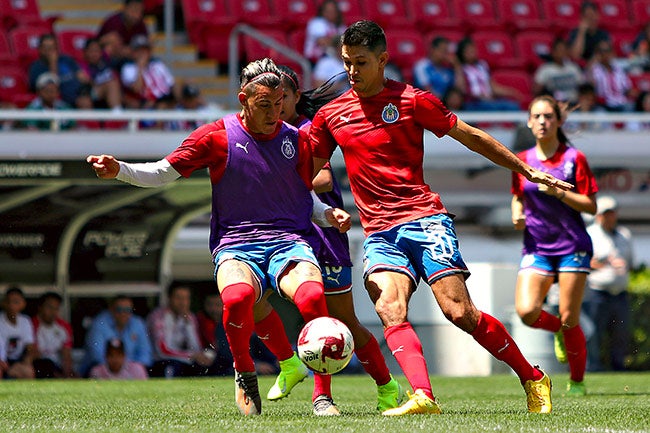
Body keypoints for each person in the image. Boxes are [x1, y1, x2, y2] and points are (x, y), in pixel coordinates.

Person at [309, 20, 570, 415]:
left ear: (382, 60)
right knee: (389, 308)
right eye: (346, 62)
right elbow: (312, 169)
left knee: (458, 312)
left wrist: (525, 169)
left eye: (360, 62)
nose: (352, 71)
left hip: (424, 219)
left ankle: (533, 378)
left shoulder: (414, 101)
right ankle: (423, 395)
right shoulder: (331, 115)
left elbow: (470, 136)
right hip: (379, 232)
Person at [87, 57, 351, 416]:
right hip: (237, 244)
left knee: (312, 296)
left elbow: (303, 198)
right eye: (264, 106)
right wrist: (120, 170)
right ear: (243, 99)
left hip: (288, 240)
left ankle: (323, 397)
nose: (274, 113)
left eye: (278, 105)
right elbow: (164, 172)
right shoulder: (216, 136)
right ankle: (244, 372)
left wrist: (328, 214)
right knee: (239, 298)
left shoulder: (296, 140)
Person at [248, 65, 404, 413]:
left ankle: (383, 386)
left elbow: (323, 179)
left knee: (338, 321)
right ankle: (290, 364)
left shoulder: (306, 130)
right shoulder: (263, 132)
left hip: (323, 234)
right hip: (280, 234)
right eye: (268, 98)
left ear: (294, 98)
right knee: (251, 297)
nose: (274, 104)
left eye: (281, 97)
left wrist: (274, 179)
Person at [511, 95, 598, 397]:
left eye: (548, 116)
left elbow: (591, 206)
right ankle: (559, 331)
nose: (542, 122)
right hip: (537, 246)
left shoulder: (574, 159)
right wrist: (516, 211)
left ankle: (577, 382)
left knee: (570, 316)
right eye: (536, 116)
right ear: (528, 121)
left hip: (572, 245)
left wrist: (559, 193)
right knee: (526, 311)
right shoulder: (521, 160)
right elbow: (518, 194)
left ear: (559, 121)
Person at [585, 196, 634, 372]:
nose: (610, 217)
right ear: (598, 216)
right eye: (606, 213)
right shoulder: (590, 234)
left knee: (621, 334)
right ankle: (592, 369)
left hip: (620, 293)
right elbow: (584, 262)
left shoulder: (624, 234)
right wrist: (605, 263)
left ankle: (618, 368)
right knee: (594, 334)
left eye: (613, 213)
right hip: (597, 293)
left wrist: (622, 267)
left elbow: (630, 263)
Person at [197, 293, 278, 376]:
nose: (214, 309)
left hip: (256, 364)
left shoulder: (251, 322)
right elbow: (227, 354)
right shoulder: (221, 325)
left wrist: (276, 359)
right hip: (230, 368)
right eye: (210, 305)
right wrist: (255, 365)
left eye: (217, 305)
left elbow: (263, 348)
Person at [147, 285, 213, 378]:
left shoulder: (190, 317)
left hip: (183, 359)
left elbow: (196, 347)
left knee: (205, 365)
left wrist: (188, 324)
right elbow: (162, 351)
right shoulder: (158, 317)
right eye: (178, 298)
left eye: (186, 298)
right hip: (160, 361)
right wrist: (192, 355)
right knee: (173, 367)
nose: (183, 302)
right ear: (169, 298)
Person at [80, 294, 152, 376]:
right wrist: (118, 368)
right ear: (111, 309)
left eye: (127, 309)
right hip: (102, 367)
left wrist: (129, 367)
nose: (123, 313)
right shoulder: (99, 323)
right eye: (119, 309)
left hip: (130, 369)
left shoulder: (138, 323)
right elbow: (97, 355)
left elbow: (145, 353)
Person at [455, 37, 522, 111]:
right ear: (462, 52)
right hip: (473, 102)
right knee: (492, 107)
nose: (472, 52)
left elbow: (493, 87)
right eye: (468, 50)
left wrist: (511, 92)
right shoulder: (461, 68)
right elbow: (461, 89)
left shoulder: (482, 65)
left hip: (489, 101)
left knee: (512, 106)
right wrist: (457, 66)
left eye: (473, 49)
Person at [120, 34, 179, 109]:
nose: (143, 53)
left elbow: (172, 84)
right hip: (143, 103)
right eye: (139, 50)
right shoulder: (128, 68)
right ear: (133, 53)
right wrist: (140, 68)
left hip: (165, 99)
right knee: (160, 106)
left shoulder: (158, 64)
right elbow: (136, 89)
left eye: (145, 50)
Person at [28, 33, 85, 108]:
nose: (50, 51)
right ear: (40, 49)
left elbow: (82, 77)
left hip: (79, 94)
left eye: (53, 47)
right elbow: (52, 87)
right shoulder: (36, 67)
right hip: (59, 100)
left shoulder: (66, 59)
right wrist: (53, 63)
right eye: (47, 48)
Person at [32, 291, 76, 378]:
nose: (53, 312)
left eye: (56, 308)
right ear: (40, 307)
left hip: (57, 366)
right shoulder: (31, 325)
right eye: (49, 307)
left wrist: (67, 374)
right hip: (39, 366)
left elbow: (67, 354)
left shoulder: (64, 326)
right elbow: (33, 353)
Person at [97, 0, 149, 69]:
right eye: (134, 10)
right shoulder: (112, 22)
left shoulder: (141, 25)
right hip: (114, 58)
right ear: (125, 9)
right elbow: (99, 43)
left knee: (150, 59)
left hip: (132, 57)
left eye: (139, 11)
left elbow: (145, 46)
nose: (136, 14)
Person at [586, 40, 635, 112]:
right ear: (597, 53)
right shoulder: (594, 69)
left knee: (630, 106)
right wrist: (594, 60)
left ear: (612, 52)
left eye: (607, 51)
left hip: (620, 102)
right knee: (599, 113)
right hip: (603, 104)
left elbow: (627, 88)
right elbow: (590, 85)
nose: (605, 54)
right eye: (601, 51)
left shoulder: (618, 68)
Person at [533, 38, 584, 104]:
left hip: (574, 103)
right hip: (554, 104)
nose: (561, 53)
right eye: (559, 50)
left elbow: (582, 87)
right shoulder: (545, 69)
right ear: (553, 52)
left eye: (563, 50)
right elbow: (536, 90)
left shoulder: (573, 68)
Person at [0, 287, 36, 379]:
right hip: (2, 361)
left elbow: (30, 347)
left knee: (28, 371)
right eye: (9, 301)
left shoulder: (25, 321)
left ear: (23, 304)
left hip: (17, 361)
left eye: (15, 302)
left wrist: (26, 362)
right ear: (3, 303)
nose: (11, 305)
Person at [78, 37, 123, 110]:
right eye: (91, 51)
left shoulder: (106, 61)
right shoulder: (82, 66)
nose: (94, 54)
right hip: (92, 94)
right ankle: (118, 116)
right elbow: (87, 83)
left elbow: (114, 39)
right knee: (112, 84)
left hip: (113, 94)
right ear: (85, 52)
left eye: (96, 51)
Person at [304, 0, 346, 64]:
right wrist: (338, 41)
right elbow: (323, 42)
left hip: (336, 59)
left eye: (333, 11)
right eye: (328, 11)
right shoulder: (317, 23)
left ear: (337, 12)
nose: (330, 13)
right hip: (315, 61)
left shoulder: (340, 26)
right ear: (322, 12)